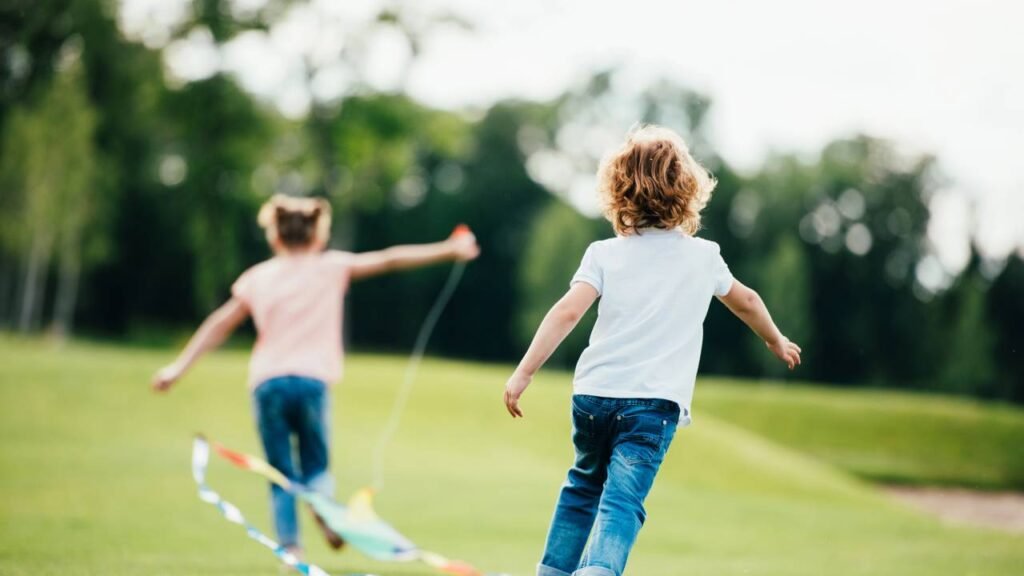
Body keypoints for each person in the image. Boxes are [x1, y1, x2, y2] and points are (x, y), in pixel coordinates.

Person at [504, 125, 801, 576]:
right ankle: (598, 571)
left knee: (582, 487)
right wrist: (774, 339)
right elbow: (747, 301)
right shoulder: (704, 256)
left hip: (594, 397)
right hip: (652, 407)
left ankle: (553, 571)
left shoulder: (603, 253)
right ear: (688, 189)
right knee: (621, 502)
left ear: (618, 190)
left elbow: (567, 312)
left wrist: (524, 372)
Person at [151, 194, 479, 558]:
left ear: (275, 235)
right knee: (315, 465)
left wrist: (177, 368)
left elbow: (220, 323)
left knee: (280, 473)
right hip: (311, 382)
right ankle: (327, 515)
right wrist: (449, 249)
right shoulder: (331, 267)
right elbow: (390, 258)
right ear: (318, 234)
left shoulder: (259, 277)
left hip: (268, 384)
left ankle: (292, 551)